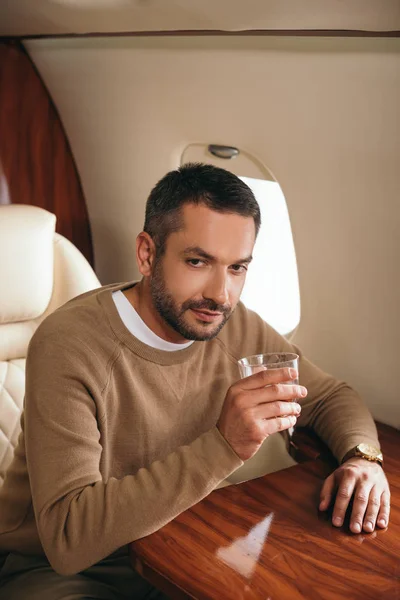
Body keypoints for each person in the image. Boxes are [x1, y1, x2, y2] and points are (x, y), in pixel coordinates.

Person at [0, 163, 390, 599]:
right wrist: (225, 445)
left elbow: (331, 397)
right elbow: (69, 540)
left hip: (195, 539)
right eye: (198, 261)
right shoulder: (69, 345)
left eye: (238, 268)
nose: (222, 295)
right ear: (147, 254)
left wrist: (362, 458)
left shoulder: (234, 324)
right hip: (84, 570)